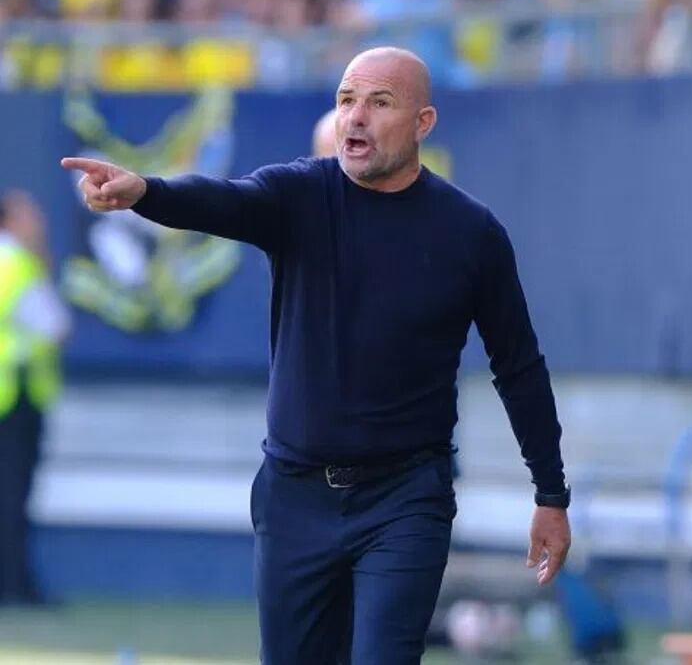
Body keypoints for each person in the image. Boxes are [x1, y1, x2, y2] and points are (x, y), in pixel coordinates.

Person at [61, 47, 572, 665]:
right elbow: (223, 201)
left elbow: (517, 366)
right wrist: (146, 191)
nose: (356, 117)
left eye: (379, 103)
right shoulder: (299, 194)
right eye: (346, 100)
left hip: (405, 498)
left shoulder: (471, 233)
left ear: (423, 123)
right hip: (295, 498)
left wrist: (551, 493)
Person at [0, 190, 70, 606]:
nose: (39, 225)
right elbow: (55, 326)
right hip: (15, 400)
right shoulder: (17, 265)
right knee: (11, 496)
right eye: (31, 217)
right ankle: (14, 583)